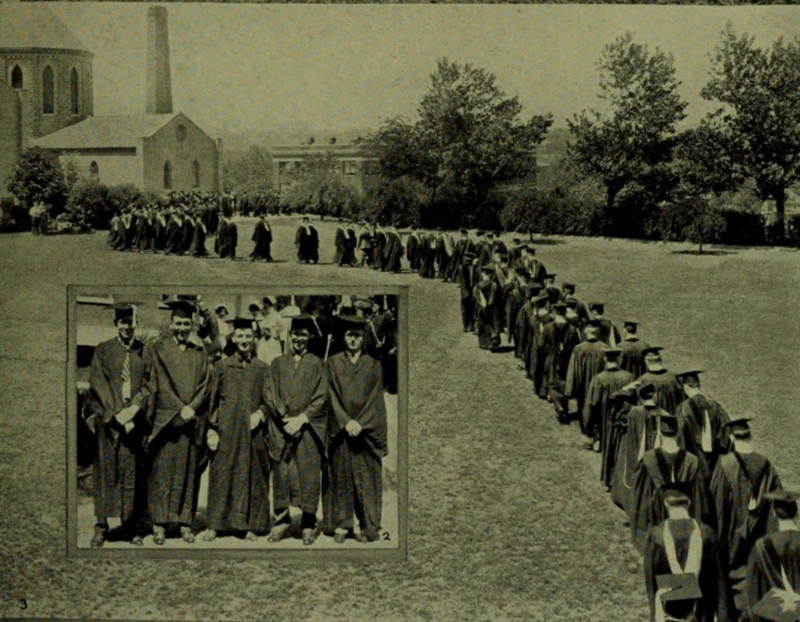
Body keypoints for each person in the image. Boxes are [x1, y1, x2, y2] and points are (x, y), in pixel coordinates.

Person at [132, 300, 210, 545]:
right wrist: (179, 409)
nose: (182, 328)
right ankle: (159, 524)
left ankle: (185, 523)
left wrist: (192, 408)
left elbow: (205, 386)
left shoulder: (200, 354)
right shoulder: (159, 350)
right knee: (162, 473)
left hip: (189, 423)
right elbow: (157, 383)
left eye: (187, 323)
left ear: (193, 325)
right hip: (166, 423)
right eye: (178, 323)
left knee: (187, 473)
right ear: (171, 324)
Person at [204, 318, 272, 542]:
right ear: (234, 338)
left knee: (251, 476)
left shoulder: (261, 368)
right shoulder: (222, 367)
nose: (244, 341)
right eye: (240, 336)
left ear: (253, 339)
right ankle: (215, 524)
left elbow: (268, 400)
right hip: (227, 432)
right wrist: (212, 430)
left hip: (252, 434)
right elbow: (211, 402)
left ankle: (248, 525)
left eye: (248, 336)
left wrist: (261, 413)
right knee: (222, 474)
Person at [87, 303, 148, 547]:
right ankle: (101, 526)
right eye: (123, 322)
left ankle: (129, 526)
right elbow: (97, 383)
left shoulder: (144, 352)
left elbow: (149, 384)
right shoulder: (103, 350)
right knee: (105, 473)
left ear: (136, 324)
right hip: (109, 424)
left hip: (134, 424)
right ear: (116, 324)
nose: (127, 327)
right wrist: (117, 414)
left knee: (130, 474)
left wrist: (133, 409)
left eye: (131, 322)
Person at [263, 315, 328, 545]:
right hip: (282, 430)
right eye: (295, 333)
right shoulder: (277, 364)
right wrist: (284, 418)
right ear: (289, 336)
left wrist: (301, 419)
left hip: (308, 430)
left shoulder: (318, 364)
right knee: (281, 474)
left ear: (309, 336)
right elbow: (269, 393)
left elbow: (322, 396)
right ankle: (281, 521)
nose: (299, 338)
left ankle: (308, 524)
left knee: (309, 475)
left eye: (303, 334)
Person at [324, 316, 388, 543]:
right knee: (341, 476)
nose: (353, 339)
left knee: (366, 477)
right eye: (349, 335)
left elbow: (376, 399)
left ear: (363, 338)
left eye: (357, 335)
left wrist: (360, 423)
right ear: (343, 337)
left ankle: (367, 525)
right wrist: (344, 421)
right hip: (342, 430)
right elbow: (329, 395)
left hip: (365, 432)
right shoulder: (332, 363)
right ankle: (342, 525)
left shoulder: (373, 364)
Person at [711, 418, 783, 616]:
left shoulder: (725, 465)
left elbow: (717, 507)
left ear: (731, 438)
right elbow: (778, 508)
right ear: (750, 436)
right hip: (759, 540)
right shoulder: (767, 466)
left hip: (732, 540)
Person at [643, 481, 729, 622]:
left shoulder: (657, 536)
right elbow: (720, 580)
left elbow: (651, 579)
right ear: (689, 503)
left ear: (666, 504)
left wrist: (654, 614)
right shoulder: (707, 534)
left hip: (668, 611)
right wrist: (723, 617)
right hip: (701, 611)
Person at [630, 413, 711, 555]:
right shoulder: (691, 460)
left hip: (656, 524)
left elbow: (639, 499)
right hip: (683, 521)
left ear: (660, 434)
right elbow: (699, 500)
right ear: (679, 434)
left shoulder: (648, 459)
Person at [612, 383, 679, 517]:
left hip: (636, 453)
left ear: (641, 398)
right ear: (656, 396)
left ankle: (633, 510)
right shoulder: (665, 415)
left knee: (634, 481)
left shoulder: (633, 412)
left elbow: (616, 401)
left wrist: (627, 388)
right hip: (656, 456)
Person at [746, 491, 800, 622]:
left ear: (774, 514)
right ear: (797, 514)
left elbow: (754, 593)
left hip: (775, 617)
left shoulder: (762, 546)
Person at [585, 347, 634, 484]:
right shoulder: (629, 377)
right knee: (622, 449)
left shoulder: (599, 379)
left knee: (608, 450)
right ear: (619, 359)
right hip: (625, 419)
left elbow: (593, 404)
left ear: (605, 359)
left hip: (606, 419)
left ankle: (608, 480)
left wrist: (591, 429)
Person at [675, 370, 732, 481]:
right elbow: (728, 427)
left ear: (686, 388)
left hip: (694, 463)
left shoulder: (683, 409)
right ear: (699, 385)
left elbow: (680, 436)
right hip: (714, 461)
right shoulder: (714, 405)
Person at [542, 302, 582, 423]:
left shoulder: (548, 327)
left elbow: (541, 345)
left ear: (554, 312)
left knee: (552, 383)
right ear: (565, 313)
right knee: (564, 383)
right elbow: (577, 346)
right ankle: (563, 407)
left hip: (552, 358)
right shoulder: (572, 329)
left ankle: (559, 405)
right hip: (567, 359)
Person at [566, 319, 607, 433]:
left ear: (586, 332)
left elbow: (572, 370)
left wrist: (570, 389)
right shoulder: (605, 348)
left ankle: (586, 432)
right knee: (599, 406)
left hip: (583, 384)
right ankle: (597, 432)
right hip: (600, 383)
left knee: (584, 405)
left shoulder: (579, 348)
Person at [636, 347, 684, 415]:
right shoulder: (674, 377)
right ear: (660, 360)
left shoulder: (643, 380)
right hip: (674, 421)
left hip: (652, 422)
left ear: (646, 361)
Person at [473, 264, 501, 351]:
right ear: (490, 275)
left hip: (481, 308)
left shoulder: (478, 286)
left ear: (483, 274)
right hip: (493, 308)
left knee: (483, 325)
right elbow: (499, 297)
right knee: (493, 324)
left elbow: (475, 296)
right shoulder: (494, 285)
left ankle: (483, 343)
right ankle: (493, 343)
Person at [458, 252, 478, 333]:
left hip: (473, 291)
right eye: (466, 258)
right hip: (465, 292)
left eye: (469, 259)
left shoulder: (476, 268)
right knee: (464, 309)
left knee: (472, 308)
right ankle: (465, 325)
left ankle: (472, 325)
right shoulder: (462, 268)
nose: (467, 260)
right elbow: (463, 280)